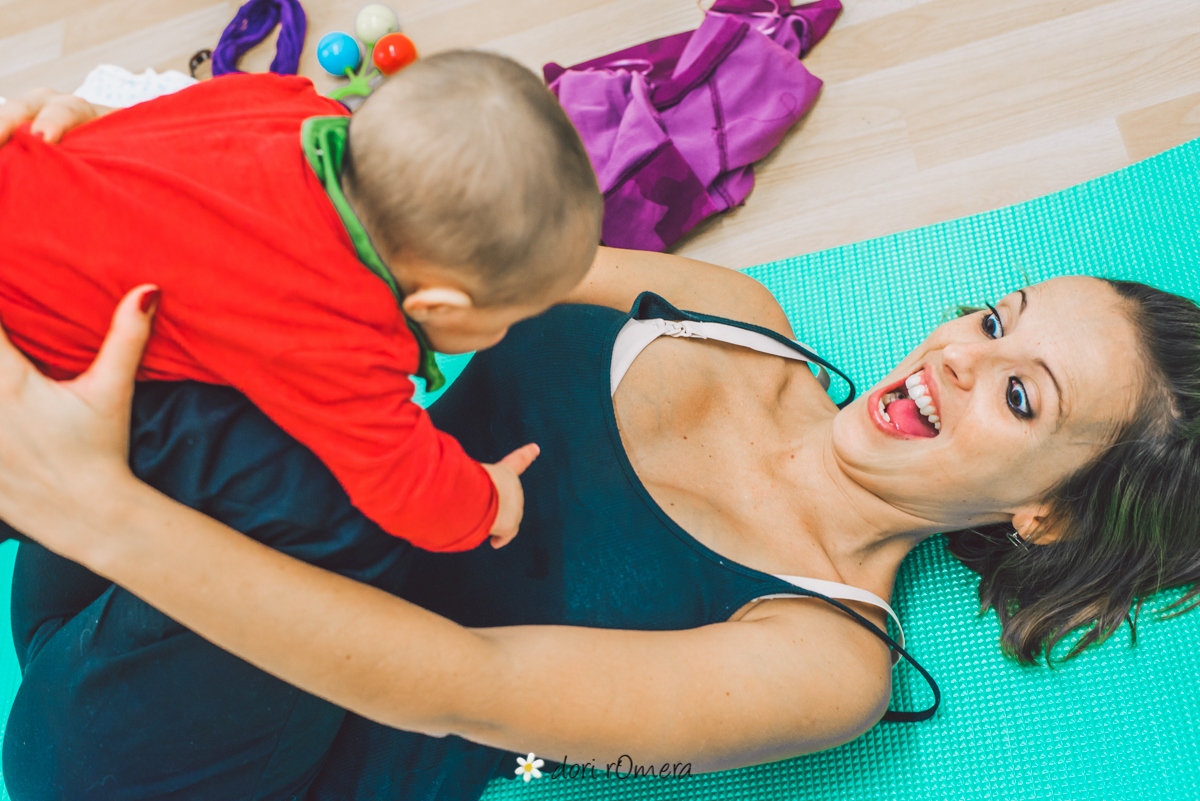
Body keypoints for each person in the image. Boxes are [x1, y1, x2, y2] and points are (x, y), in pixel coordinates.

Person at [1, 244, 1198, 800]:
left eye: (1021, 393)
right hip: (122, 559)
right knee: (153, 298)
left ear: (1042, 513)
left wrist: (93, 507)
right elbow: (414, 272)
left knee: (383, 498)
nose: (954, 358)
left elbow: (454, 684)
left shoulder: (825, 661)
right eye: (995, 320)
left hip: (170, 764)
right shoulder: (729, 311)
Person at [0, 51, 603, 553]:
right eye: (507, 321)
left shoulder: (285, 101)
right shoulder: (334, 326)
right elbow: (406, 485)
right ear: (438, 304)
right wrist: (491, 498)